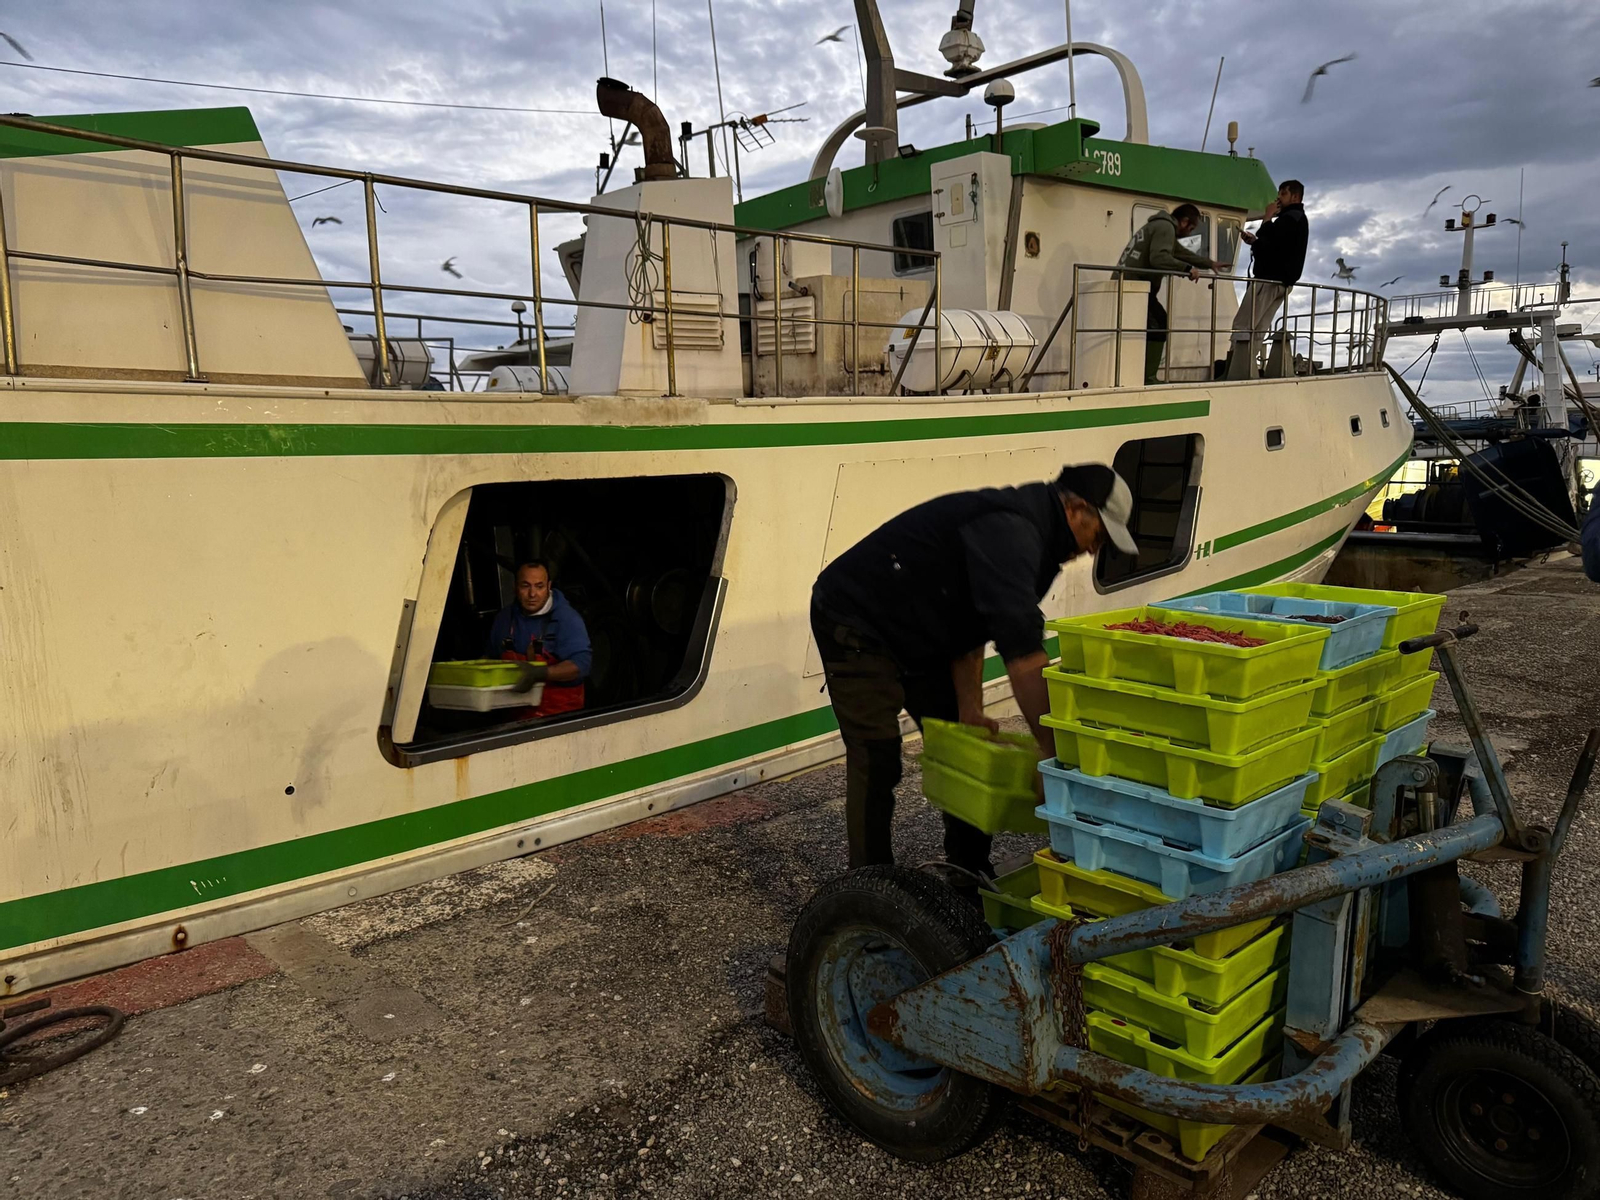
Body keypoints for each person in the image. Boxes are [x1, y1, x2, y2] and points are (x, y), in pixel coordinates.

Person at [809, 464, 1139, 882]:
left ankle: (969, 872)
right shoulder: (1012, 531)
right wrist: (1054, 757)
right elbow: (1024, 657)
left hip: (919, 626)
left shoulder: (1039, 540)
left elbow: (976, 623)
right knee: (877, 758)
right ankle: (869, 891)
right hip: (857, 617)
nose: (1096, 549)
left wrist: (970, 707)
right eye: (1101, 535)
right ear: (1076, 510)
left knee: (963, 744)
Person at [1117, 203, 1230, 384]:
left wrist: (1209, 264)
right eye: (1191, 228)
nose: (1190, 233)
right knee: (1159, 323)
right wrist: (1186, 269)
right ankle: (1147, 377)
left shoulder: (1159, 226)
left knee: (1154, 324)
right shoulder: (1165, 227)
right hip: (1133, 288)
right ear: (1184, 222)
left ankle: (1141, 374)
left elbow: (1180, 253)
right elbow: (1159, 258)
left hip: (1130, 286)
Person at [484, 560, 592, 717]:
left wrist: (540, 673)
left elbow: (582, 664)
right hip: (513, 716)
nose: (532, 594)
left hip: (559, 717)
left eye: (539, 586)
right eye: (525, 586)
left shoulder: (566, 619)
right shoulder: (505, 618)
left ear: (549, 586)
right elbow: (490, 657)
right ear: (515, 587)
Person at [1225, 180, 1309, 378]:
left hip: (1269, 281)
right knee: (1260, 326)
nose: (1278, 198)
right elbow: (1275, 246)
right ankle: (1246, 365)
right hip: (1282, 282)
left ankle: (1235, 367)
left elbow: (1271, 242)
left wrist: (1268, 216)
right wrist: (1255, 242)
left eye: (1283, 194)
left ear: (1295, 197)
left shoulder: (1290, 219)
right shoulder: (1297, 219)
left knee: (1245, 324)